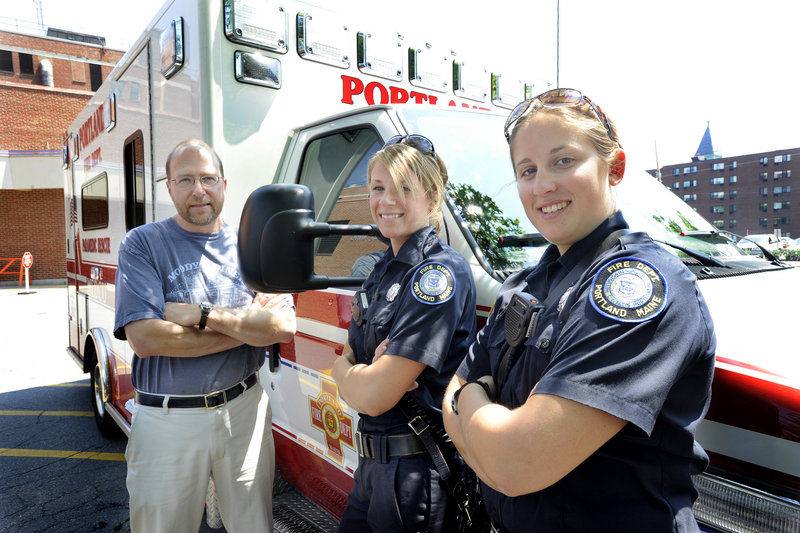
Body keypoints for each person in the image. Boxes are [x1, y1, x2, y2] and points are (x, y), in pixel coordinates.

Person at [443, 89, 716, 532]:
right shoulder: (523, 284)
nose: (543, 184)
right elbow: (450, 399)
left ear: (616, 167)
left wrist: (471, 400)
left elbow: (515, 463)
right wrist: (485, 432)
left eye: (563, 161)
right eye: (527, 170)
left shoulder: (638, 285)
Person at [113, 139, 296, 533]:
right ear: (169, 188)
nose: (199, 190)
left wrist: (202, 315)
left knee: (254, 525)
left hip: (245, 410)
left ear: (224, 185)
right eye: (186, 180)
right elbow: (146, 338)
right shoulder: (143, 244)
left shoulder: (253, 246)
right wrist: (249, 329)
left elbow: (282, 326)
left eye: (208, 178)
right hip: (167, 420)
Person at [332, 135, 477, 532]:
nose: (386, 200)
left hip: (414, 475)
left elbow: (376, 396)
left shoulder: (437, 275)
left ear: (431, 198)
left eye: (404, 188)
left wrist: (350, 373)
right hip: (370, 470)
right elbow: (344, 359)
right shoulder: (379, 269)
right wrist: (356, 372)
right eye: (378, 188)